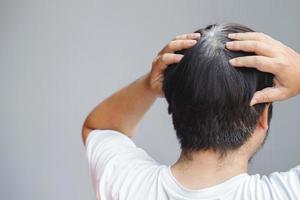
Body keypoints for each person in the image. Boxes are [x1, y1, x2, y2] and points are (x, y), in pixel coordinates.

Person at [81, 23, 300, 200]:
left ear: (173, 107)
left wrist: (148, 84)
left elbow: (101, 128)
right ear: (263, 118)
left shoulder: (127, 186)